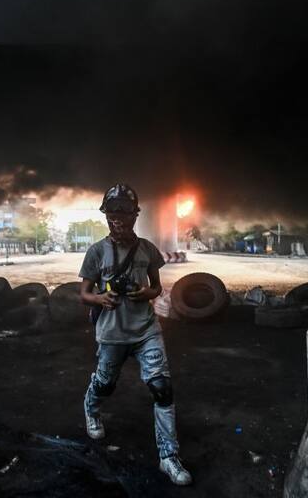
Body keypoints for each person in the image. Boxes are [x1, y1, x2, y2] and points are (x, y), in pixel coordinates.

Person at [79, 183, 193, 486]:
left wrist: (147, 293)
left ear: (134, 216)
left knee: (162, 388)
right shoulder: (96, 252)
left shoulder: (147, 250)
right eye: (112, 216)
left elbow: (157, 287)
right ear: (106, 217)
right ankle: (91, 407)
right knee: (105, 384)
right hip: (112, 334)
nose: (118, 221)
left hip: (146, 331)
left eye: (124, 215)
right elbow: (84, 294)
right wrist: (101, 299)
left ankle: (168, 457)